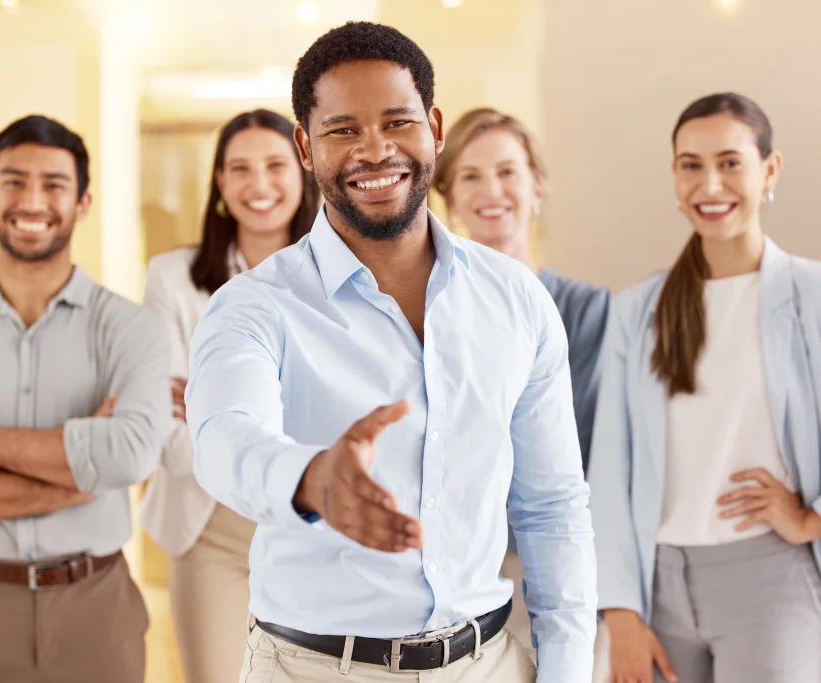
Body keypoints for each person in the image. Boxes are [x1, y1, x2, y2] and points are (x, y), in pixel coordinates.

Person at [186, 20, 597, 683]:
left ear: (434, 128)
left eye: (397, 122)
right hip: (314, 668)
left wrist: (568, 669)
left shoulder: (516, 299)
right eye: (344, 129)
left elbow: (551, 505)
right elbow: (223, 438)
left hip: (489, 662)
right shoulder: (253, 306)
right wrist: (312, 478)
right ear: (305, 145)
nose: (374, 150)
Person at [588, 92, 821, 683]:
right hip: (655, 588)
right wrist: (619, 613)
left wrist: (816, 518)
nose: (710, 183)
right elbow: (609, 472)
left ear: (770, 171)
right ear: (675, 177)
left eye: (730, 162)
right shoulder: (637, 310)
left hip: (773, 583)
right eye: (691, 164)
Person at [0, 115, 170, 683]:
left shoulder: (133, 330)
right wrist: (77, 475)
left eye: (54, 184)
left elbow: (130, 456)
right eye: (14, 181)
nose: (32, 200)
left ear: (83, 200)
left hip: (96, 608)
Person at [138, 108, 319, 683]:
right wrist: (288, 406)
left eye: (274, 165)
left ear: (305, 169)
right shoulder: (171, 278)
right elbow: (170, 441)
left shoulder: (343, 273)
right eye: (239, 168)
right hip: (208, 523)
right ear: (219, 183)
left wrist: (213, 404)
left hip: (311, 519)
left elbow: (350, 412)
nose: (258, 184)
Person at [432, 106, 609, 655]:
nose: (492, 190)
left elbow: (594, 449)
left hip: (559, 562)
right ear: (449, 198)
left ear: (537, 189)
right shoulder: (428, 313)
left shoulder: (586, 311)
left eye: (508, 171)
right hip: (455, 573)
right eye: (471, 175)